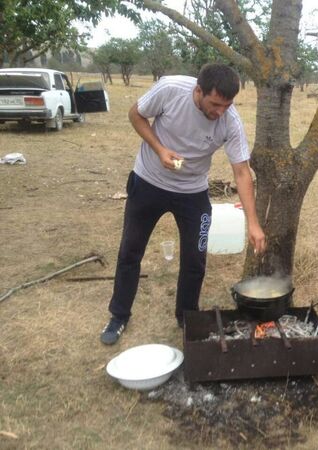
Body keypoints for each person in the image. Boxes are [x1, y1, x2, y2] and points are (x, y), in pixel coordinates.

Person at [100, 63, 266, 345]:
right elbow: (136, 114)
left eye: (227, 105)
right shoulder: (170, 90)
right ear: (198, 90)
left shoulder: (230, 121)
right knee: (130, 251)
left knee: (195, 259)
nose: (220, 112)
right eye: (214, 104)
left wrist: (253, 223)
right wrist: (160, 148)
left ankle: (186, 316)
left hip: (193, 192)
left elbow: (241, 172)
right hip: (148, 182)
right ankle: (119, 316)